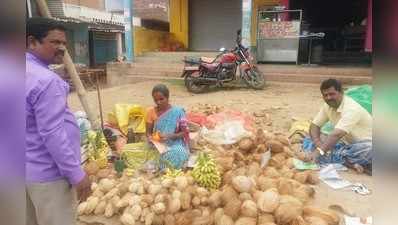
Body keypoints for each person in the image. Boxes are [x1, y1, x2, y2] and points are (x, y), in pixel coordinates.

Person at [26, 17, 91, 225]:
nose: (62, 48)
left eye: (64, 43)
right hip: (48, 176)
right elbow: (53, 134)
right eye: (55, 42)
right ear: (31, 42)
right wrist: (76, 174)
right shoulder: (47, 81)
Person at [305, 79, 372, 174]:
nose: (328, 98)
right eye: (325, 95)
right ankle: (349, 161)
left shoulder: (352, 108)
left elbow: (337, 134)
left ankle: (342, 159)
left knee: (371, 150)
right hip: (345, 145)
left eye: (332, 94)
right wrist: (318, 143)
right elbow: (314, 125)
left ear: (341, 92)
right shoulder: (327, 106)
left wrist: (319, 151)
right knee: (309, 140)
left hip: (363, 145)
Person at [146, 84, 190, 170]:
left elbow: (184, 132)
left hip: (174, 143)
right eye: (156, 100)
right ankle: (162, 165)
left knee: (179, 152)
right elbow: (148, 133)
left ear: (167, 97)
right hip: (157, 144)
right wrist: (151, 139)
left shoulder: (178, 111)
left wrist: (170, 136)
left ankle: (160, 165)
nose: (158, 102)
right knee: (137, 154)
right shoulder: (150, 112)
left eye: (161, 99)